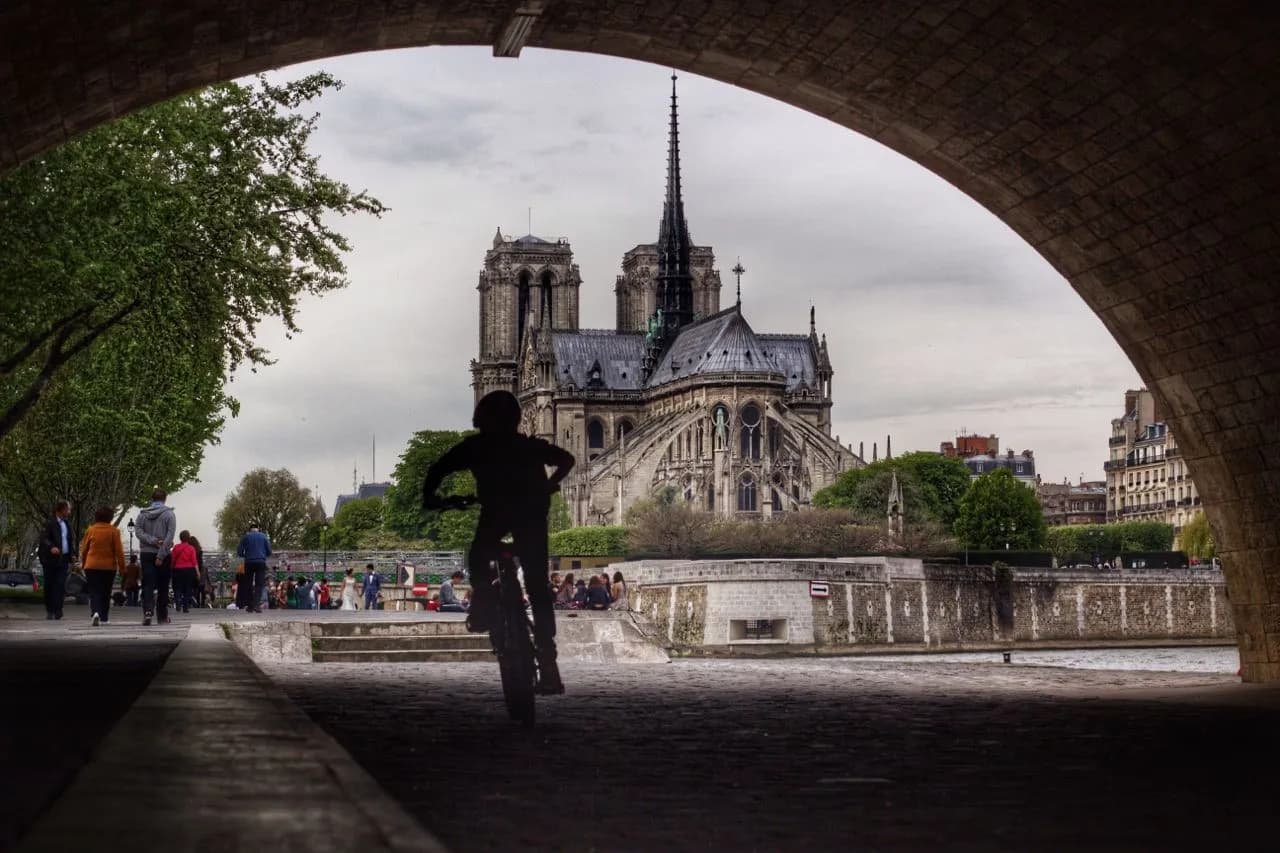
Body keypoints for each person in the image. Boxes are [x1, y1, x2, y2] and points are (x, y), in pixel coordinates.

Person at [422, 390, 575, 695]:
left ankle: (484, 601)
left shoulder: (476, 447)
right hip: (531, 515)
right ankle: (548, 660)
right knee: (537, 587)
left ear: (481, 421)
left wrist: (433, 499)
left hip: (496, 515)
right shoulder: (528, 446)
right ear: (517, 420)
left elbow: (436, 470)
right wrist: (548, 485)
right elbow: (567, 459)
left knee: (478, 558)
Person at [135, 488, 176, 626]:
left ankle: (147, 611)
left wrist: (152, 540)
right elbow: (169, 536)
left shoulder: (142, 515)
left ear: (151, 499)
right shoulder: (169, 514)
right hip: (163, 555)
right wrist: (161, 555)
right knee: (163, 586)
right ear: (165, 499)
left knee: (148, 584)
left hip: (146, 553)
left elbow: (138, 532)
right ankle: (162, 617)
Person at [79, 505, 125, 626]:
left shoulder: (90, 530)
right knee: (106, 591)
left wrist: (83, 563)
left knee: (94, 591)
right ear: (110, 518)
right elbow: (119, 551)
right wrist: (122, 567)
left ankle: (95, 612)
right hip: (108, 567)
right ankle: (104, 617)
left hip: (91, 565)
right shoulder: (114, 531)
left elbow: (84, 549)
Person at [37, 500, 76, 620]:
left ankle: (58, 609)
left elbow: (69, 541)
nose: (69, 512)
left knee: (60, 585)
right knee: (49, 584)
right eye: (68, 509)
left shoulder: (67, 524)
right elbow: (44, 538)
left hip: (63, 558)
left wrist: (72, 554)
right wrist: (51, 547)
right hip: (50, 559)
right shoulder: (50, 523)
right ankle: (50, 610)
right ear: (61, 510)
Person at [235, 524, 272, 613]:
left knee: (248, 584)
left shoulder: (246, 537)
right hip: (260, 562)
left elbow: (239, 551)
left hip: (249, 562)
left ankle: (250, 605)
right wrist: (262, 555)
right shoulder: (263, 537)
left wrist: (245, 555)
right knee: (259, 584)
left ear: (250, 529)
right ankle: (256, 605)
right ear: (258, 529)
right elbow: (269, 551)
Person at [170, 531, 200, 614]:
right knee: (188, 589)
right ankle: (185, 607)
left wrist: (171, 569)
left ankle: (178, 603)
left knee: (177, 588)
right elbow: (194, 562)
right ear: (188, 538)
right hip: (189, 570)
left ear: (180, 538)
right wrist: (198, 573)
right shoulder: (191, 548)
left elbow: (172, 560)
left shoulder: (176, 547)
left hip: (177, 570)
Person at [190, 534, 209, 608]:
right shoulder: (199, 551)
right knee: (201, 587)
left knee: (194, 587)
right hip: (200, 570)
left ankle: (196, 602)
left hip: (192, 570)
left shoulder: (190, 550)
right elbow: (200, 562)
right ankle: (202, 603)